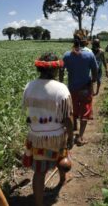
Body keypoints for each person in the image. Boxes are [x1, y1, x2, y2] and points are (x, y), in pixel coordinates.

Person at [22, 53, 74, 206]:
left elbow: (28, 113)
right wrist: (70, 136)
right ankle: (63, 179)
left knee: (39, 172)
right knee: (61, 157)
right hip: (56, 136)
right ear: (56, 69)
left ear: (39, 68)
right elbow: (68, 118)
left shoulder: (29, 86)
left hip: (35, 136)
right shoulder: (61, 89)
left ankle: (39, 203)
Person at [60, 30, 98, 146]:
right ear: (84, 40)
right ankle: (80, 137)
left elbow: (61, 70)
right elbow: (95, 70)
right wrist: (93, 80)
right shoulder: (90, 54)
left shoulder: (67, 55)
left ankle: (71, 134)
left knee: (73, 111)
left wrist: (61, 82)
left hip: (72, 89)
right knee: (85, 111)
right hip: (85, 88)